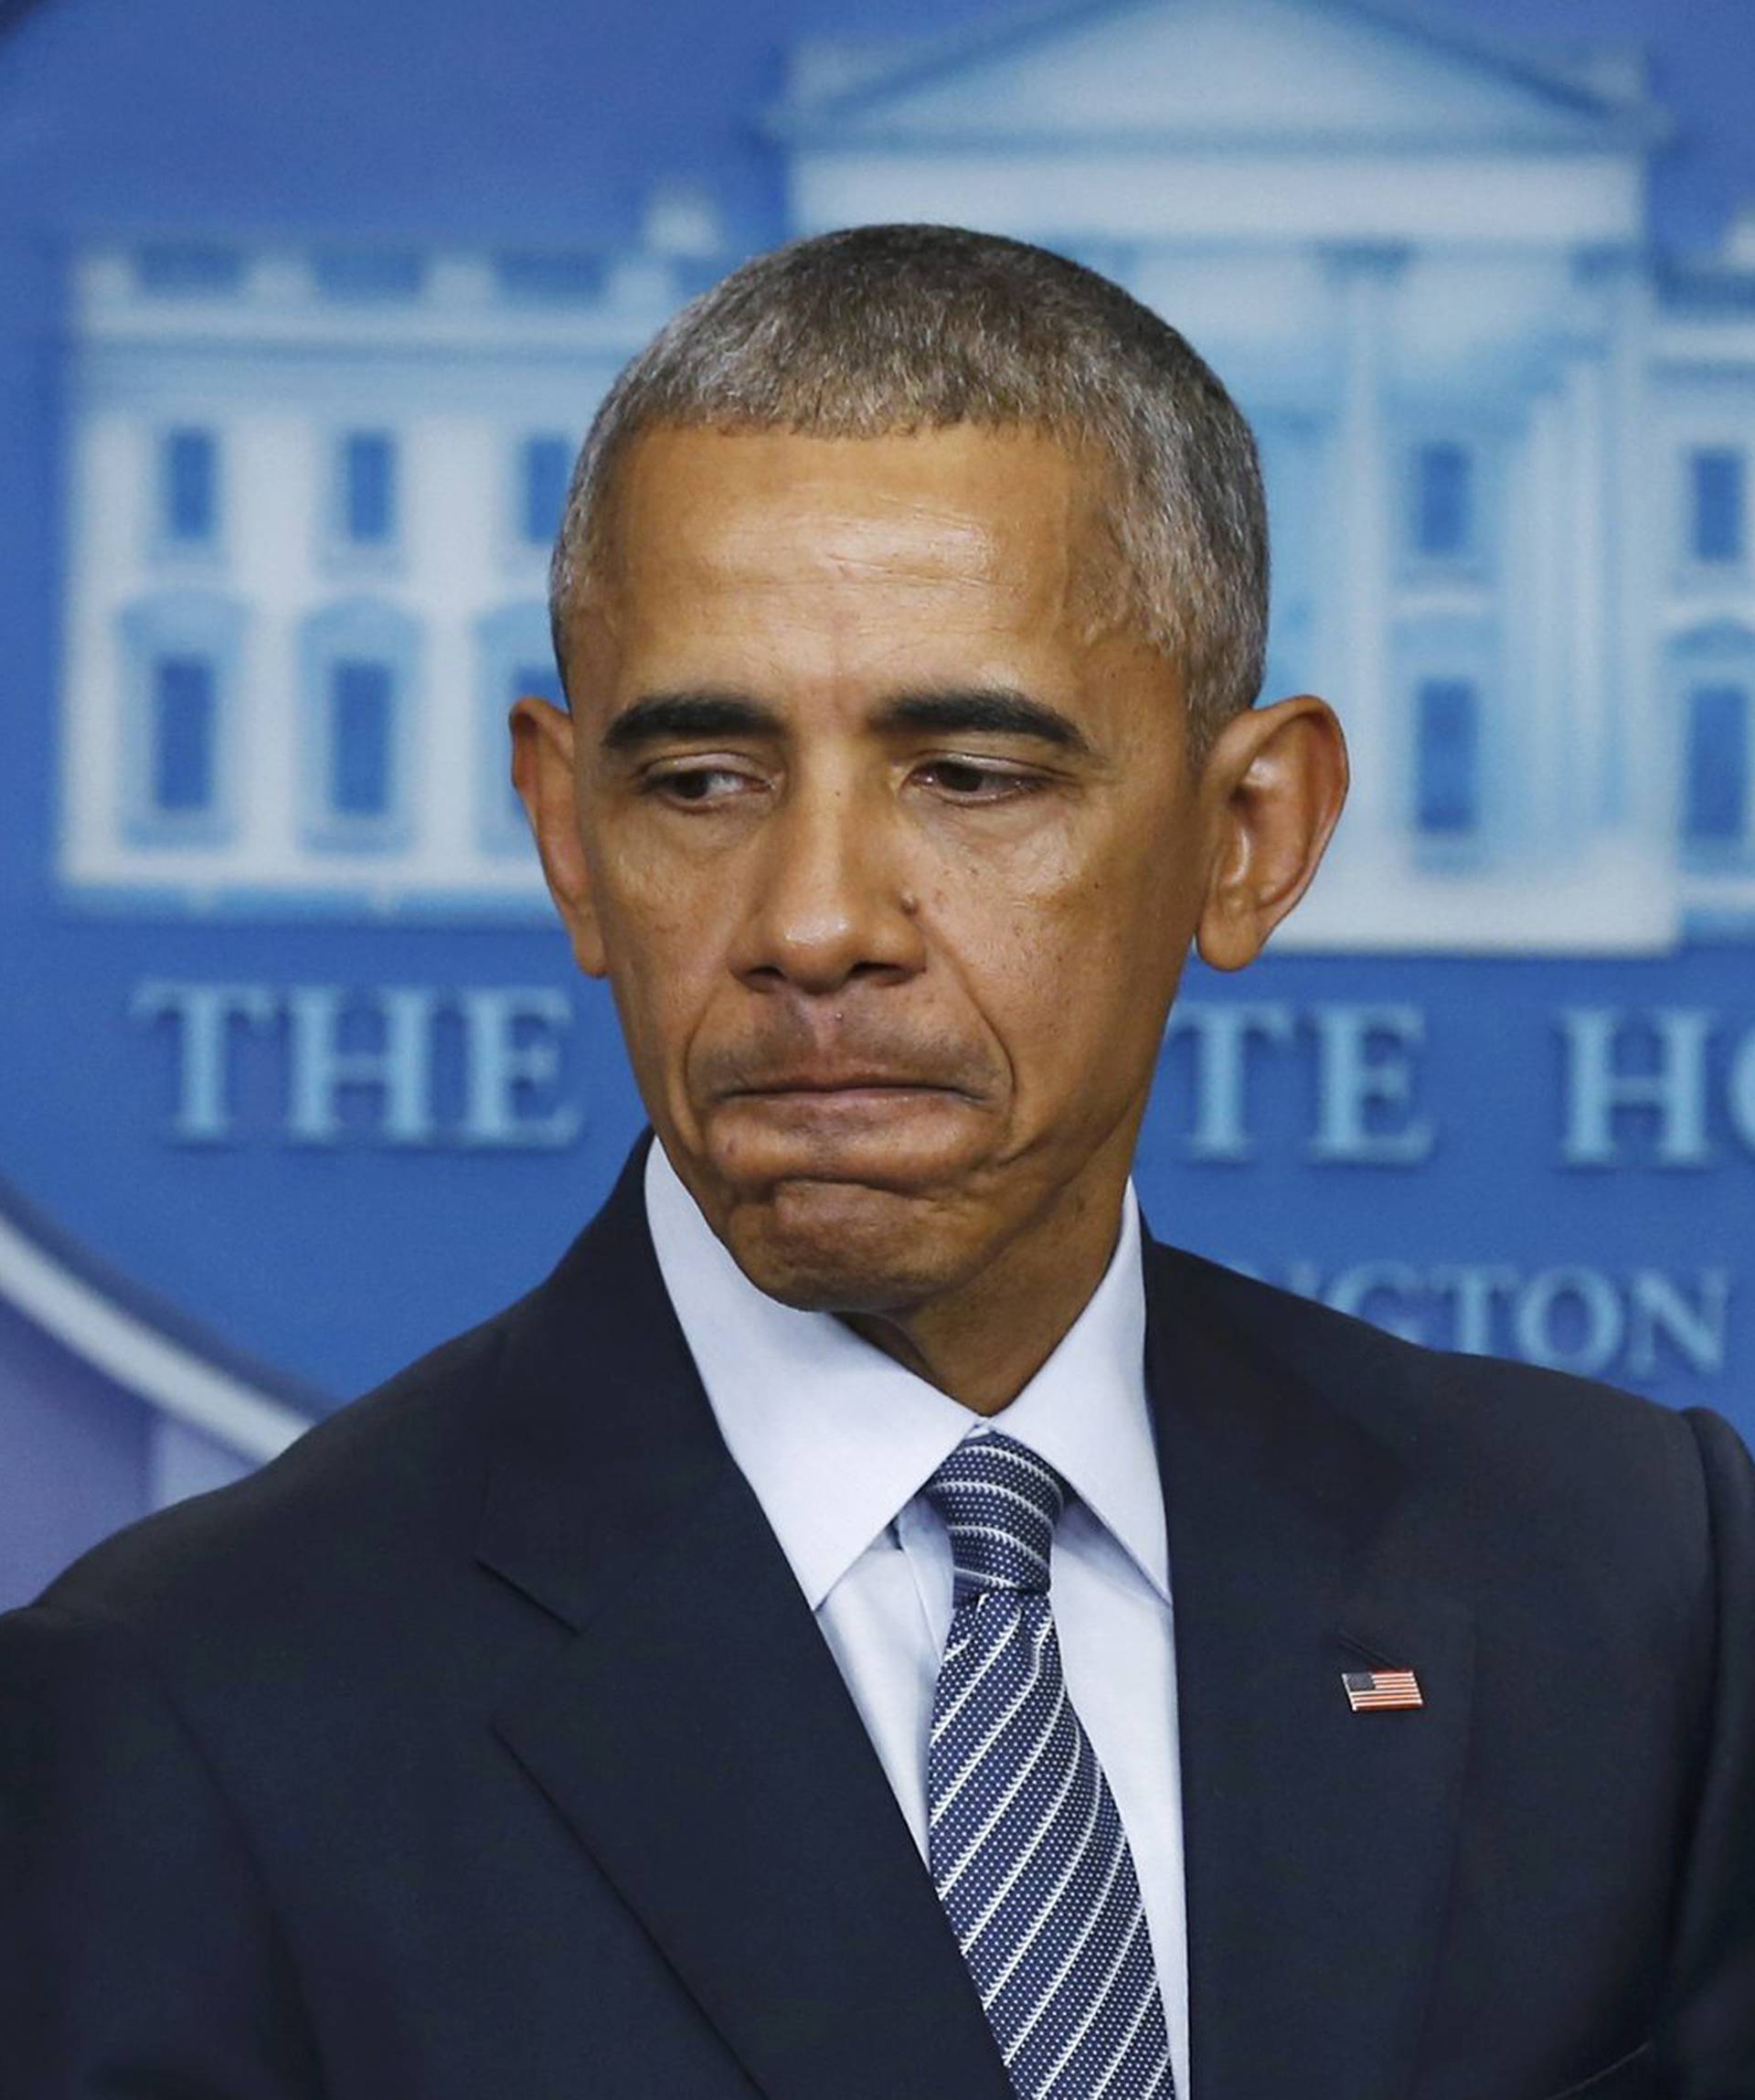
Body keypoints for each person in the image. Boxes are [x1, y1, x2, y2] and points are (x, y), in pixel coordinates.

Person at [1, 223, 1750, 2100]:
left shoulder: (1639, 1581)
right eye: (700, 783)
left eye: (969, 776)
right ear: (569, 840)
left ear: (1250, 834)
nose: (816, 921)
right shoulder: (189, 1706)